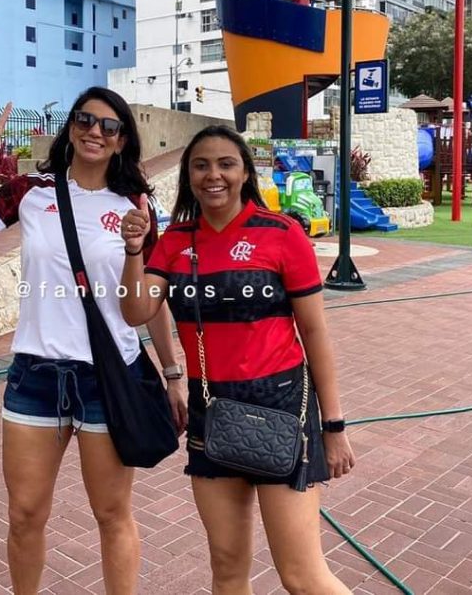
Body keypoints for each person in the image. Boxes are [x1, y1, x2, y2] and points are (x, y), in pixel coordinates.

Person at [0, 88, 188, 595]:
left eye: (109, 127)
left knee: (112, 513)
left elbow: (149, 299)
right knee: (25, 514)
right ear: (71, 127)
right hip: (36, 375)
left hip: (109, 376)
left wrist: (173, 373)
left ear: (121, 142)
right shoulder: (32, 190)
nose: (95, 131)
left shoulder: (136, 205)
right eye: (86, 120)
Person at [117, 125, 355, 595]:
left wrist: (335, 427)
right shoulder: (176, 240)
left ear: (245, 171)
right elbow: (135, 310)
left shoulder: (282, 234)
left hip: (282, 408)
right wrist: (131, 253)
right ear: (188, 176)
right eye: (201, 165)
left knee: (302, 577)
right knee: (226, 568)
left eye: (226, 164)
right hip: (212, 412)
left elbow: (315, 334)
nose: (214, 175)